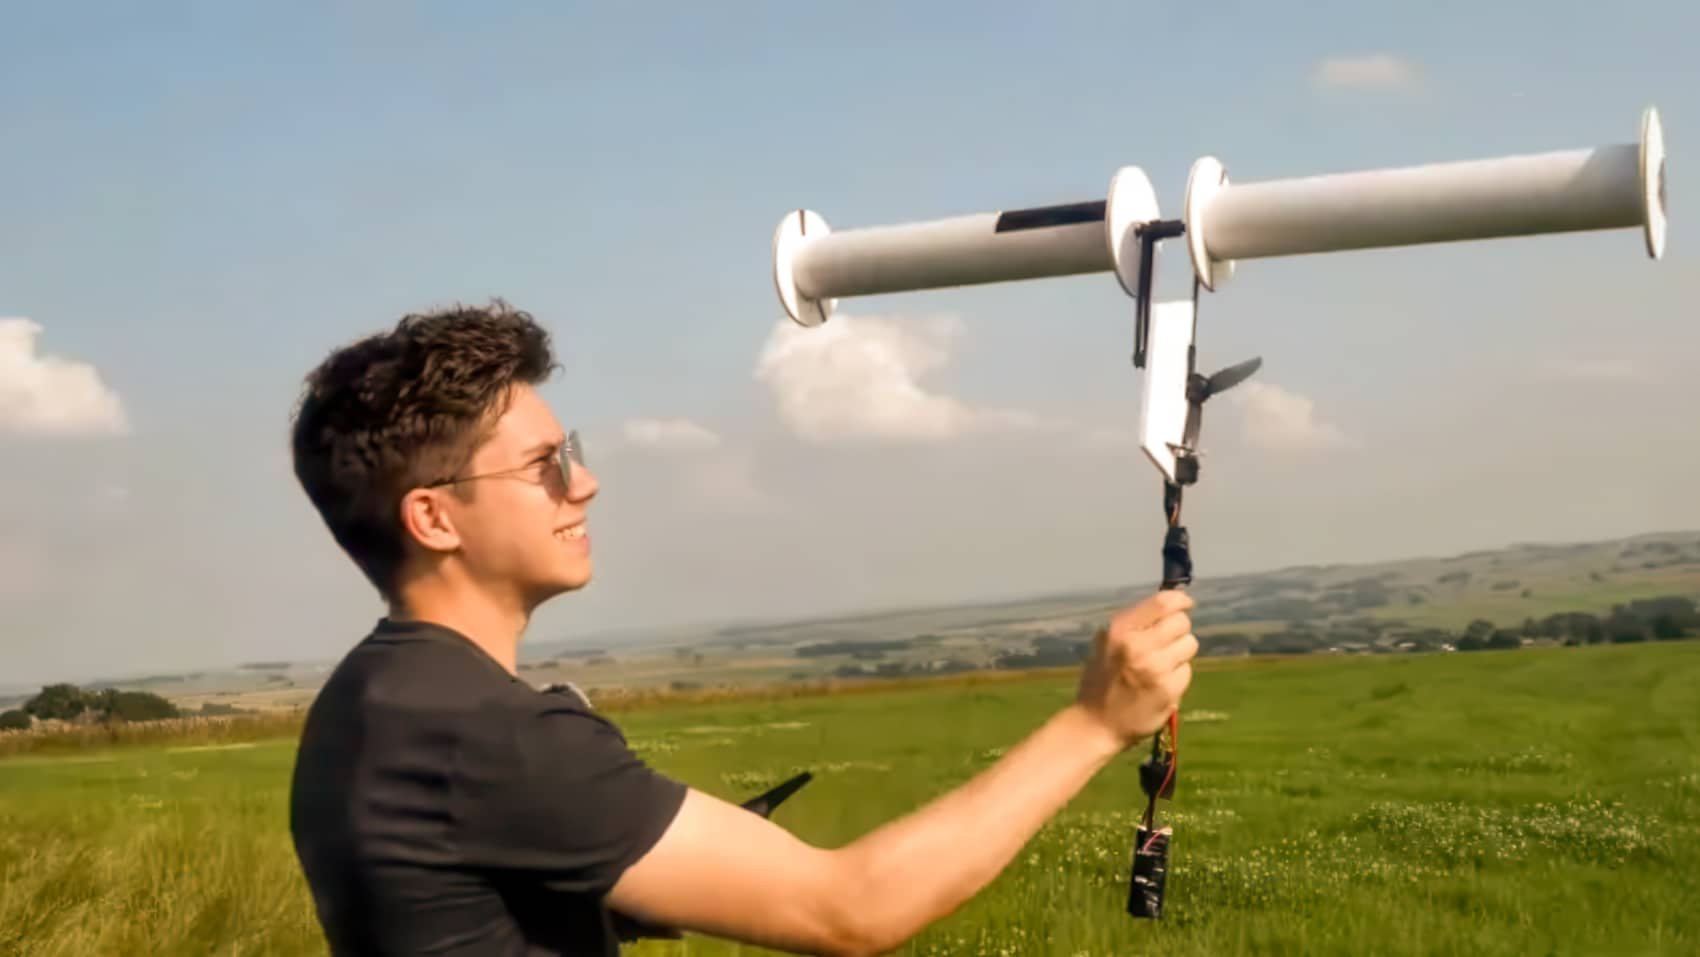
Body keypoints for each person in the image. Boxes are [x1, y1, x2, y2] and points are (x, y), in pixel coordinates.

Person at [286, 300, 1199, 957]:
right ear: (434, 519)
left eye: (572, 454)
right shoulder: (491, 736)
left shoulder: (364, 704)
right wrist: (1095, 722)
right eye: (542, 467)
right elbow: (852, 910)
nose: (585, 483)